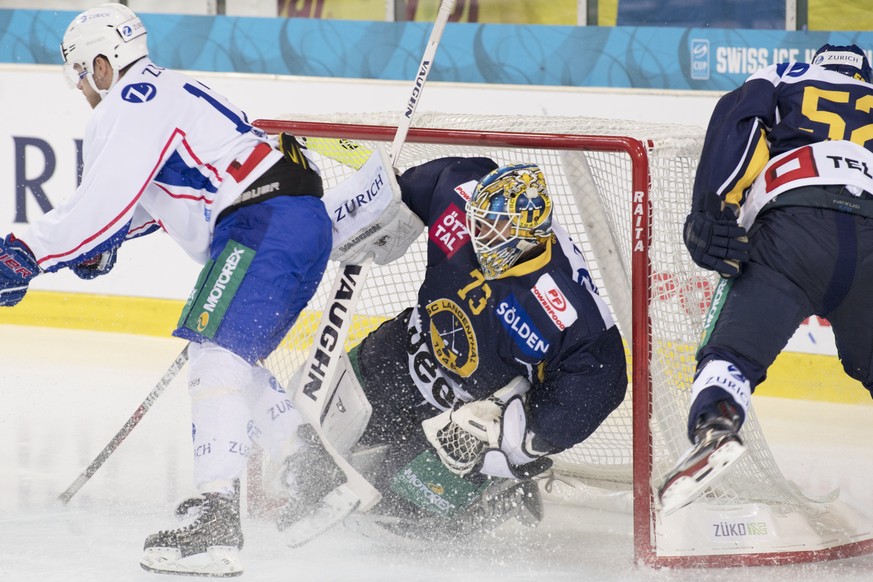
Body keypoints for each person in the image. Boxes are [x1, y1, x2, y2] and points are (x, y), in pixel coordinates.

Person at [0, 4, 331, 576]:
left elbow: (99, 204)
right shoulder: (171, 89)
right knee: (226, 354)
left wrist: (26, 252)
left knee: (215, 356)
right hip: (291, 222)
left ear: (103, 64)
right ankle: (312, 467)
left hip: (262, 224)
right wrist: (99, 245)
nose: (83, 89)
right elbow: (162, 196)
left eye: (81, 74)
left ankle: (216, 520)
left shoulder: (128, 105)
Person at [278, 157, 628, 541]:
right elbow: (405, 190)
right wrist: (370, 210)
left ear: (529, 235)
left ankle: (502, 495)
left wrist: (511, 441)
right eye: (477, 222)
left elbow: (599, 385)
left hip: (463, 419)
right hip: (404, 352)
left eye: (494, 229)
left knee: (402, 518)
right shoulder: (457, 190)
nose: (479, 234)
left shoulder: (567, 308)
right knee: (311, 445)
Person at [658, 43, 873, 515]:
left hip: (793, 229)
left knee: (729, 356)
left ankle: (716, 424)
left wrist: (713, 209)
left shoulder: (785, 74)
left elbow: (740, 126)